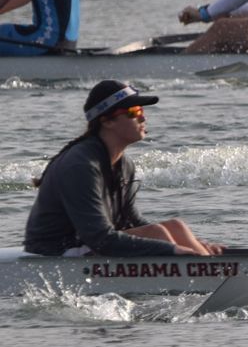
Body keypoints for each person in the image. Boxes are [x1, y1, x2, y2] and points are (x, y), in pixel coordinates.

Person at [23, 81, 223, 257]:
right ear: (107, 121)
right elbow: (100, 238)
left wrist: (189, 244)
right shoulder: (81, 165)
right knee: (157, 233)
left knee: (175, 227)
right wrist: (170, 250)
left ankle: (209, 268)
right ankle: (206, 276)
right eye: (133, 113)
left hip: (87, 244)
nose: (142, 119)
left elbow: (132, 223)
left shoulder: (124, 165)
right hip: (56, 251)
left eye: (142, 112)